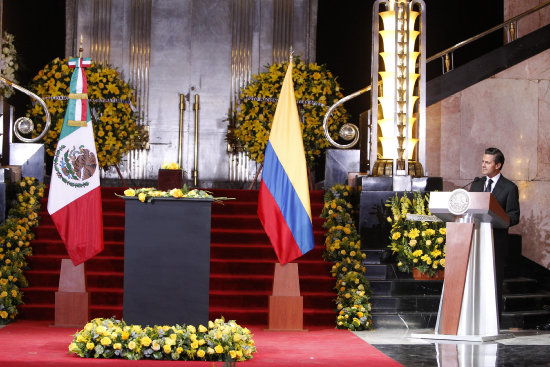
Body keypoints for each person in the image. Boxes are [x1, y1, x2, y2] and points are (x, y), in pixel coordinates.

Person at [470, 147, 520, 324]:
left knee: (493, 281)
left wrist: (497, 219)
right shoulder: (476, 184)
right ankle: (473, 319)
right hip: (474, 240)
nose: (483, 165)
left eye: (488, 162)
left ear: (498, 165)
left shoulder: (509, 188)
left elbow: (514, 216)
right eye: (483, 161)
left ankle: (493, 322)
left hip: (495, 242)